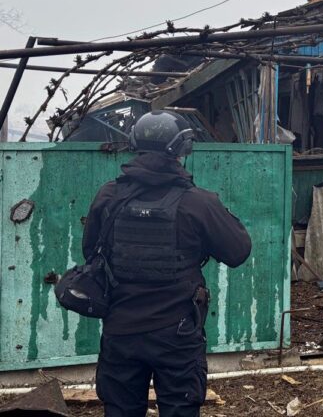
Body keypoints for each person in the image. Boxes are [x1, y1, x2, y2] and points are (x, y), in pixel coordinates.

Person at [82, 110, 252, 417]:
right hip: (177, 334)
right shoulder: (199, 202)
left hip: (120, 329)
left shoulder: (108, 195)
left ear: (134, 144)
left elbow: (89, 252)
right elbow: (238, 252)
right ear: (181, 149)